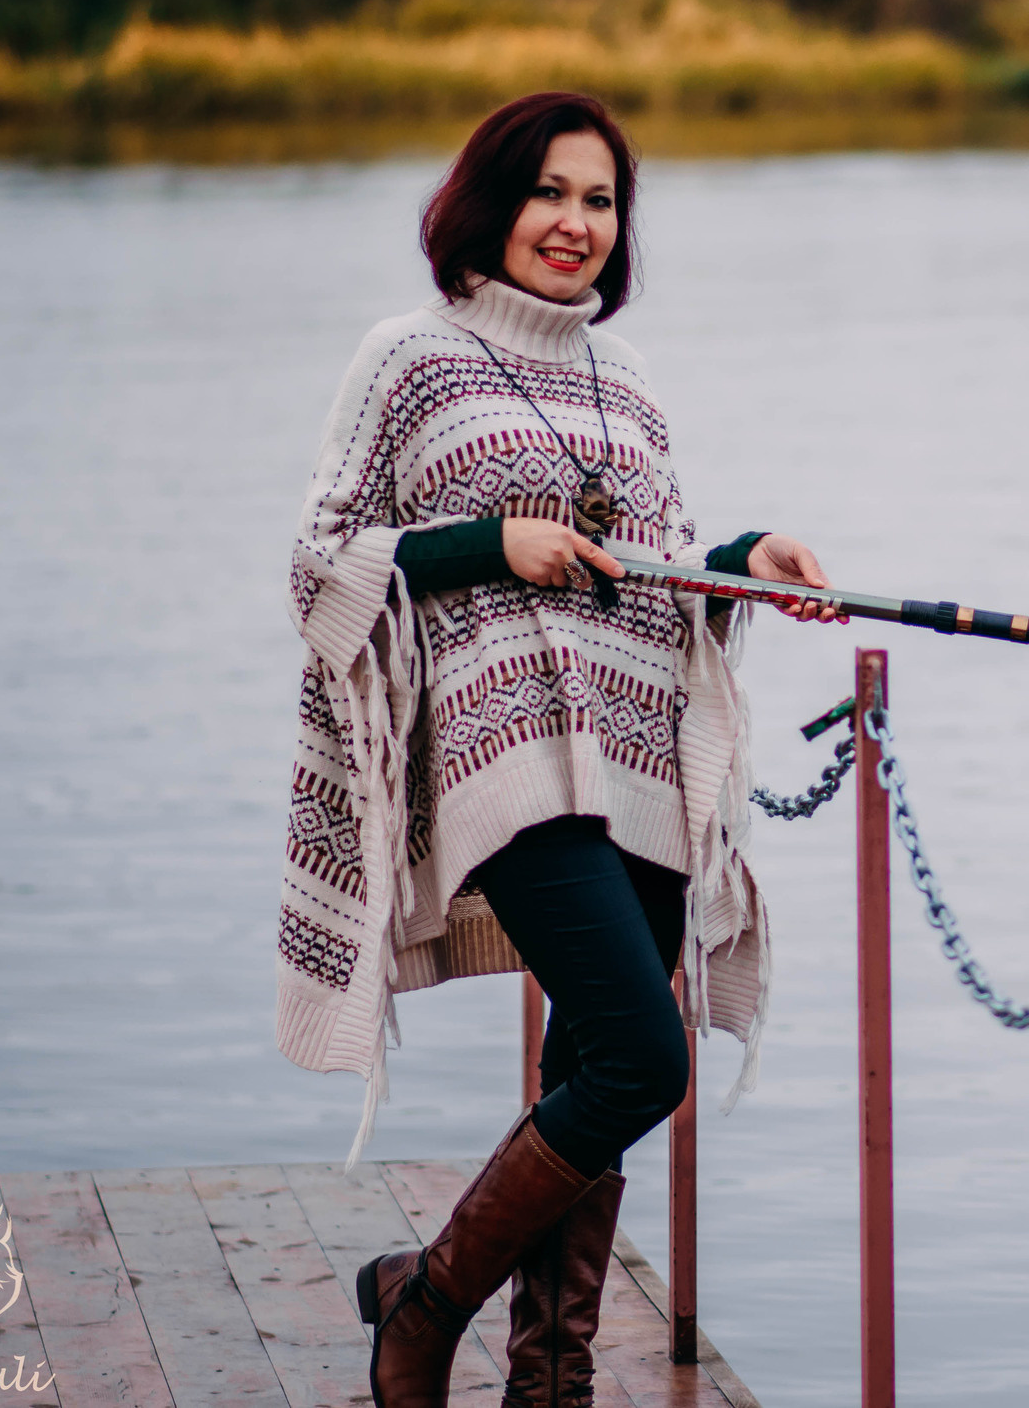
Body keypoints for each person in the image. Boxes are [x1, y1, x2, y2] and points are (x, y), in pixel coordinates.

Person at [272, 91, 840, 1408]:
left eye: (599, 200)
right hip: (504, 760)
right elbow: (318, 563)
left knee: (594, 1066)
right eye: (549, 194)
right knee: (646, 1059)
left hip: (636, 756)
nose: (575, 224)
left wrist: (741, 559)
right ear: (492, 203)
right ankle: (425, 1306)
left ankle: (552, 1381)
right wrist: (490, 542)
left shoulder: (625, 380)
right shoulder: (411, 356)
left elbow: (648, 565)